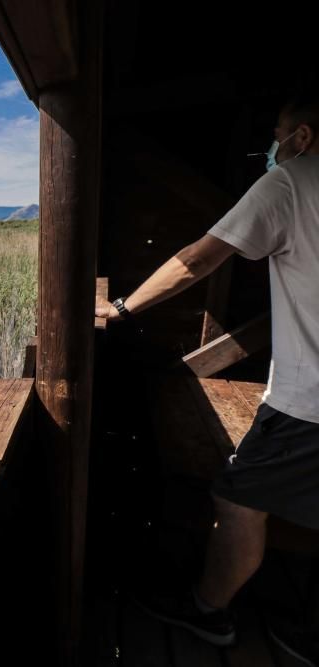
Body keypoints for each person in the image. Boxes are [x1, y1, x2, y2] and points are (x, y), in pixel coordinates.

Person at [95, 89, 319, 665]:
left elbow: (199, 258)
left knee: (239, 498)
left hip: (308, 401)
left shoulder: (292, 180)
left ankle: (207, 612)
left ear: (303, 137)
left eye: (277, 134)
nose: (273, 147)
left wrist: (119, 310)